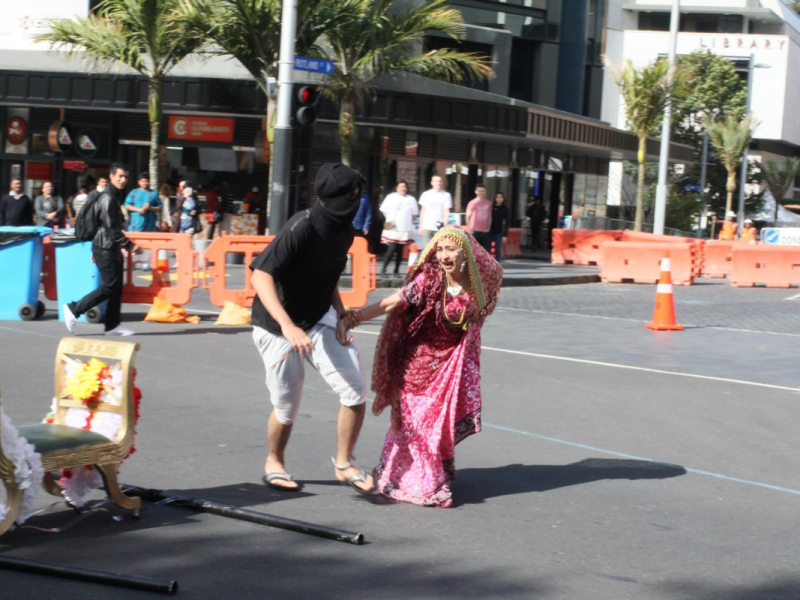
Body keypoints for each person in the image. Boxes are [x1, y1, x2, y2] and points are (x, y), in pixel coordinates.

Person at [342, 226, 502, 507]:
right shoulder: (429, 279)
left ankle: (424, 476)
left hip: (448, 369)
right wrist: (356, 317)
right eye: (439, 249)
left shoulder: (478, 287)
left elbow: (494, 272)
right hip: (416, 363)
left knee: (434, 427)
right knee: (414, 426)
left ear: (465, 253)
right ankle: (422, 482)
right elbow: (392, 301)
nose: (444, 255)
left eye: (451, 249)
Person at [249, 163, 373, 494]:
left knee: (355, 388)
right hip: (276, 326)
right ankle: (274, 461)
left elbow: (328, 275)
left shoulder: (345, 229)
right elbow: (260, 275)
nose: (358, 200)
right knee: (287, 405)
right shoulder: (301, 226)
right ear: (337, 198)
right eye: (353, 195)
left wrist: (342, 313)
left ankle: (344, 464)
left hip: (318, 318)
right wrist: (287, 326)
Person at [62, 163, 141, 337]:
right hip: (106, 247)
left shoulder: (113, 196)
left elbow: (102, 226)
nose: (123, 180)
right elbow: (112, 228)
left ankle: (112, 326)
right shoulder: (108, 198)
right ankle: (74, 309)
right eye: (119, 176)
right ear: (111, 177)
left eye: (126, 177)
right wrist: (130, 245)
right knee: (110, 287)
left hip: (107, 246)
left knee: (116, 288)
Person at [379, 181, 419, 277]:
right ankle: (383, 269)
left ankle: (396, 271)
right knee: (391, 248)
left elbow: (414, 214)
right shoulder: (390, 197)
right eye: (401, 186)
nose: (403, 188)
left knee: (400, 249)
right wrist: (390, 220)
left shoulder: (411, 199)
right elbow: (384, 211)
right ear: (396, 188)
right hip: (391, 226)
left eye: (405, 186)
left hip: (404, 227)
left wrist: (407, 221)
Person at [418, 174, 452, 244]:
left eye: (440, 181)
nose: (438, 183)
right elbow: (423, 210)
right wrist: (421, 225)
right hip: (427, 226)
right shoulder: (426, 194)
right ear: (432, 183)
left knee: (438, 248)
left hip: (439, 226)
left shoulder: (446, 195)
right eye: (436, 181)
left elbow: (446, 210)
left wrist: (445, 224)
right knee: (427, 249)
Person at [465, 183, 492, 252]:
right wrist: (469, 229)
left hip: (484, 231)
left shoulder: (488, 203)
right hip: (474, 230)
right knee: (473, 251)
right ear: (476, 192)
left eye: (483, 191)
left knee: (485, 251)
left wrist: (488, 228)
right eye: (479, 191)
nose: (481, 193)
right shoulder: (472, 203)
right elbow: (467, 216)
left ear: (485, 192)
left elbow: (489, 216)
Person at [488, 192, 509, 262]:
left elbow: (507, 222)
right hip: (489, 231)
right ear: (495, 198)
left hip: (499, 232)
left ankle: (497, 264)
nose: (499, 199)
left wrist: (505, 235)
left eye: (501, 197)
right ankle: (487, 264)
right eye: (498, 197)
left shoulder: (505, 208)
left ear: (503, 199)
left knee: (497, 249)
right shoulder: (491, 207)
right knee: (487, 249)